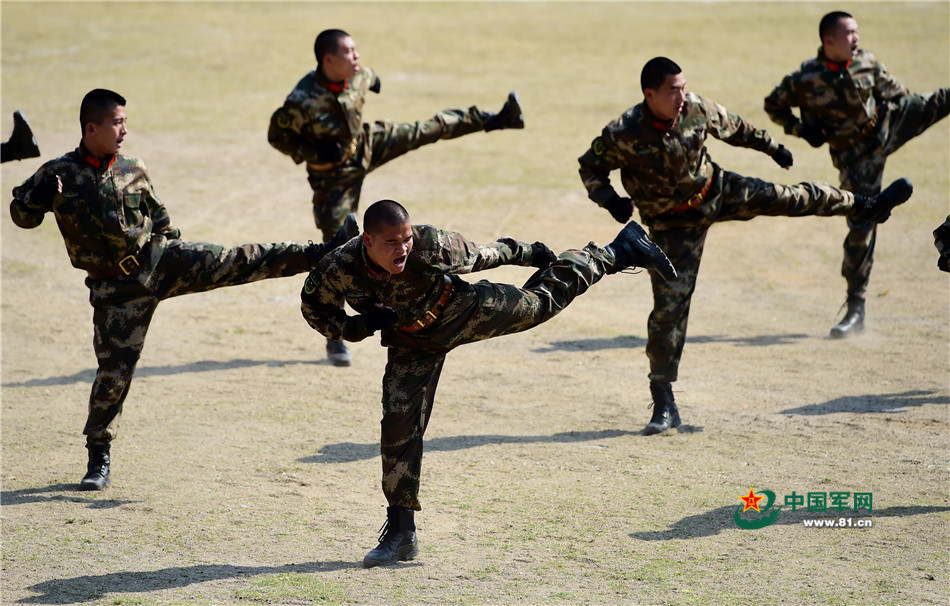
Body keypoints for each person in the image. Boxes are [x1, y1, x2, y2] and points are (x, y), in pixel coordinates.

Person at [9, 89, 359, 492]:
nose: (124, 130)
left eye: (125, 122)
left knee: (238, 259)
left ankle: (322, 251)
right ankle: (98, 457)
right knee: (113, 374)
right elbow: (21, 216)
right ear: (91, 128)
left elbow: (159, 216)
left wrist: (178, 250)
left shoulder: (133, 167)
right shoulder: (58, 174)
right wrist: (36, 200)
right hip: (115, 291)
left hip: (160, 261)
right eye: (117, 123)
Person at [300, 198, 676, 568]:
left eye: (406, 239)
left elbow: (485, 254)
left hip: (459, 309)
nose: (402, 249)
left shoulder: (431, 245)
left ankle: (617, 251)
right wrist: (360, 326)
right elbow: (314, 308)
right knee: (398, 427)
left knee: (540, 304)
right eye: (392, 242)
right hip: (410, 341)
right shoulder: (339, 266)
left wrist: (530, 252)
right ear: (367, 240)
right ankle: (401, 534)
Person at [577, 57, 914, 436]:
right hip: (673, 226)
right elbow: (590, 167)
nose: (682, 96)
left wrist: (772, 148)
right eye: (673, 90)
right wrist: (610, 200)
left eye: (683, 87)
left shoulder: (695, 108)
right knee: (668, 311)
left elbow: (735, 127)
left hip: (718, 192)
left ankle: (866, 205)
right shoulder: (622, 132)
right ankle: (664, 401)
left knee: (790, 197)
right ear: (649, 94)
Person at [270, 29, 525, 368]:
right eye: (349, 52)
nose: (357, 57)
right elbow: (277, 136)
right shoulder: (302, 99)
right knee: (337, 249)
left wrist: (374, 81)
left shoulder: (359, 75)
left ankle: (496, 119)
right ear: (328, 60)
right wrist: (313, 152)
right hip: (333, 176)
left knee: (425, 129)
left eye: (356, 50)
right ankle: (335, 340)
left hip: (365, 145)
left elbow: (369, 78)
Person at [764, 11, 949, 337]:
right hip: (855, 156)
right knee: (862, 226)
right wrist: (801, 130)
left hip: (887, 126)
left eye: (857, 32)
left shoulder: (866, 61)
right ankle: (855, 308)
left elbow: (898, 93)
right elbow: (773, 104)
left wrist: (909, 106)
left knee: (941, 100)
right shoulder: (806, 78)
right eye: (849, 33)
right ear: (828, 41)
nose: (856, 38)